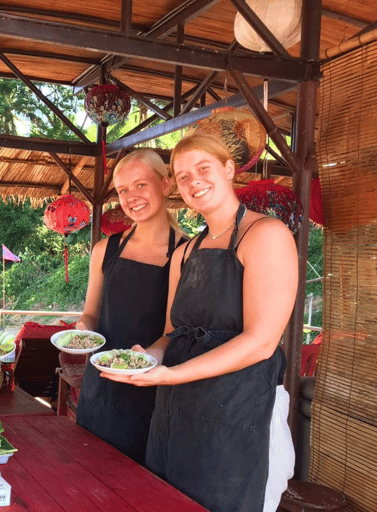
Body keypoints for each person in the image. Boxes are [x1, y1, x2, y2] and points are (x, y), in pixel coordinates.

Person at [102, 132, 298, 512]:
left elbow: (261, 341)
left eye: (203, 169)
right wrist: (151, 358)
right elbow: (173, 331)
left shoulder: (266, 235)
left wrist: (173, 374)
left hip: (238, 411)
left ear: (228, 170)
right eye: (182, 176)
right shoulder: (186, 251)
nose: (194, 182)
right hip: (176, 411)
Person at [75, 149, 186, 464]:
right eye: (123, 190)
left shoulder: (184, 252)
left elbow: (172, 332)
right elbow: (91, 313)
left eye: (141, 185)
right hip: (100, 386)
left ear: (165, 185)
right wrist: (82, 330)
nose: (131, 196)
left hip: (151, 389)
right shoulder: (104, 248)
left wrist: (146, 358)